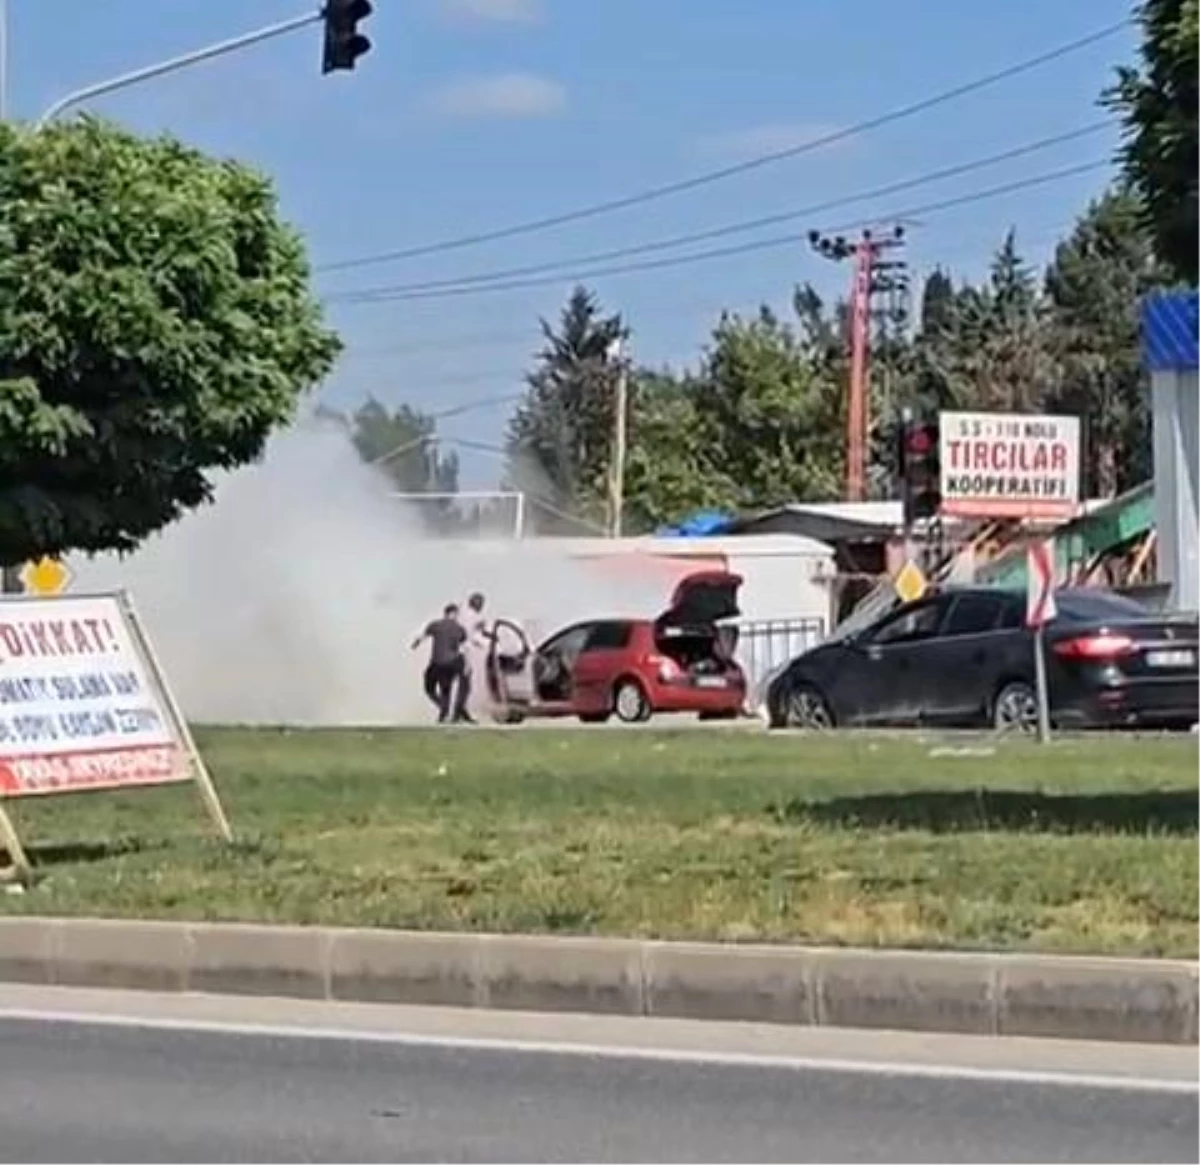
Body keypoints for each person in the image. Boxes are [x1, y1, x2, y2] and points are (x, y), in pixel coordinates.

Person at [411, 603, 468, 724]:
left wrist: (415, 644)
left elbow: (422, 636)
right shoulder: (460, 628)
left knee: (429, 687)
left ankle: (443, 711)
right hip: (454, 662)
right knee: (445, 689)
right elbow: (464, 648)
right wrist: (467, 665)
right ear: (454, 613)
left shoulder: (435, 625)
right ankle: (445, 711)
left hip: (437, 662)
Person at [461, 592, 493, 721]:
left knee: (464, 682)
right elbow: (472, 635)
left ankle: (460, 709)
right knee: (465, 682)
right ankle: (460, 710)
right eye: (480, 603)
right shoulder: (474, 617)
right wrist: (484, 642)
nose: (482, 606)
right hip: (465, 651)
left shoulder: (463, 614)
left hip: (461, 650)